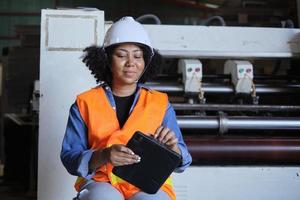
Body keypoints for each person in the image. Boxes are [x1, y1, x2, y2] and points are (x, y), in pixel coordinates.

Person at [60, 16, 192, 200]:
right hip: (101, 180)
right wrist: (103, 156)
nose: (131, 62)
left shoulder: (160, 103)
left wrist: (174, 149)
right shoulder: (85, 103)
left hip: (147, 181)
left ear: (146, 61)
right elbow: (70, 157)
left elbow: (183, 162)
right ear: (107, 59)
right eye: (121, 55)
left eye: (137, 56)